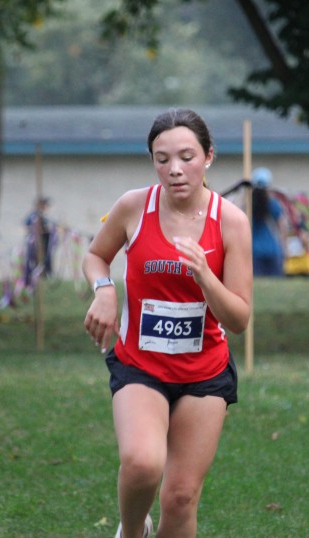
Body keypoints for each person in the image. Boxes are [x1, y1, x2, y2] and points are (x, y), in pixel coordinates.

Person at [82, 108, 252, 538]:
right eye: (162, 159)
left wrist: (206, 276)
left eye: (186, 157)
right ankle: (132, 532)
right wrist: (104, 289)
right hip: (141, 365)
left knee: (179, 498)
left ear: (208, 156)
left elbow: (238, 319)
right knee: (142, 463)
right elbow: (96, 255)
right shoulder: (133, 206)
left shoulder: (230, 222)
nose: (174, 169)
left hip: (204, 373)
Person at [249, 167, 286, 277]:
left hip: (254, 251)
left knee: (257, 283)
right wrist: (284, 247)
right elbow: (282, 226)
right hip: (273, 251)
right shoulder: (273, 204)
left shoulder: (249, 205)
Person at [24, 196, 56, 278]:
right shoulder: (34, 215)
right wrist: (36, 230)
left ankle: (45, 273)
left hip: (45, 241)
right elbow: (27, 225)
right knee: (35, 258)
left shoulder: (44, 216)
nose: (46, 207)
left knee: (45, 258)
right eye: (45, 205)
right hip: (36, 241)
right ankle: (34, 275)